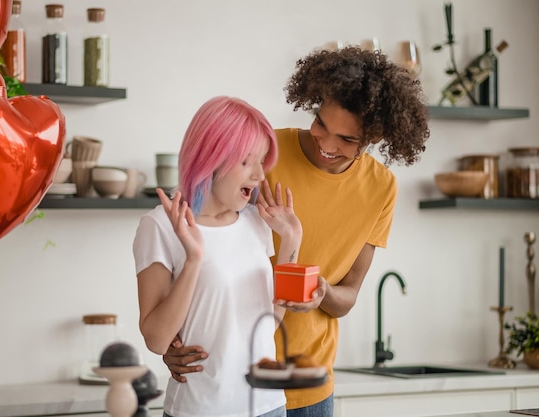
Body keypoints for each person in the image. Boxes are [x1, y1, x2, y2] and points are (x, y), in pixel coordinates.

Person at [162, 46, 430, 417]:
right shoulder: (265, 152)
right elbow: (194, 237)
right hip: (231, 380)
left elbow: (349, 295)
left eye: (347, 140)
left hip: (310, 384)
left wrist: (321, 293)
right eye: (321, 123)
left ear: (376, 136)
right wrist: (169, 342)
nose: (327, 144)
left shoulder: (381, 188)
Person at [133, 95, 304, 417]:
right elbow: (156, 340)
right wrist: (194, 259)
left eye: (262, 162)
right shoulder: (160, 225)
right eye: (246, 162)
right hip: (200, 409)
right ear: (211, 159)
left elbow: (268, 322)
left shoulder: (256, 223)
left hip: (269, 406)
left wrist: (291, 241)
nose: (259, 175)